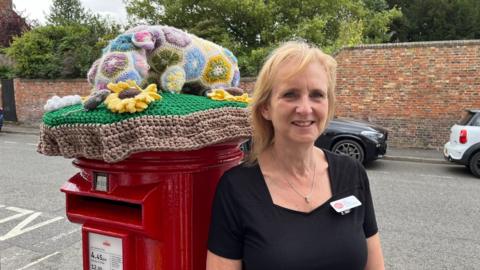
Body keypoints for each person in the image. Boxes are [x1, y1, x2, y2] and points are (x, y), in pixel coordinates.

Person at [206, 40, 385, 270]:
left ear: (328, 105)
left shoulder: (352, 173)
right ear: (265, 108)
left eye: (317, 95)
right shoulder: (236, 188)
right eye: (290, 94)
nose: (305, 108)